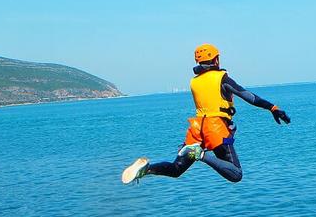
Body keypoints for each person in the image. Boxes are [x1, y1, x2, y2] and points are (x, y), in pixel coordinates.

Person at [122, 43, 290, 184]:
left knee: (176, 169)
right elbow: (248, 96)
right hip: (215, 128)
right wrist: (273, 108)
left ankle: (146, 170)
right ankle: (200, 154)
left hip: (197, 128)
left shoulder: (195, 81)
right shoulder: (221, 78)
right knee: (236, 174)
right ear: (216, 59)